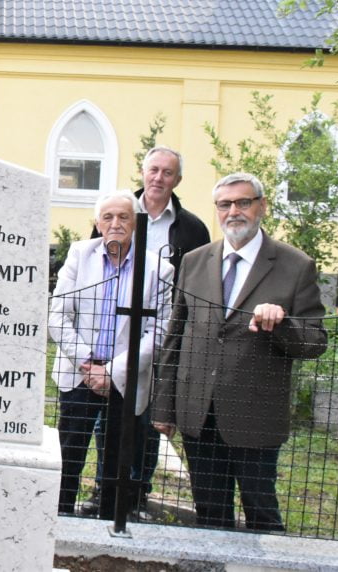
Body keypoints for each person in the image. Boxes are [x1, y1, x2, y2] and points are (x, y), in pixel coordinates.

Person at [153, 172, 327, 532]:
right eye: (225, 204)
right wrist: (164, 407)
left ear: (262, 206)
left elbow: (314, 342)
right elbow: (175, 336)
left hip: (255, 415)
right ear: (217, 210)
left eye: (243, 202)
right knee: (210, 512)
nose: (234, 211)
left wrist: (282, 324)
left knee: (261, 511)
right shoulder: (195, 261)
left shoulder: (295, 266)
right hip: (198, 412)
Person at [83, 146, 210, 516]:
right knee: (109, 421)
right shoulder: (119, 210)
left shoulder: (190, 228)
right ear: (143, 173)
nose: (158, 178)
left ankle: (137, 492)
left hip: (159, 337)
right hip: (113, 333)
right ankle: (105, 490)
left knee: (145, 421)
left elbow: (196, 282)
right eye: (153, 170)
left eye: (167, 173)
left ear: (177, 180)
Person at [49, 190, 173, 518]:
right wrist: (88, 363)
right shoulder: (79, 255)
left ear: (136, 222)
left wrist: (113, 371)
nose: (115, 223)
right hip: (79, 373)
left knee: (119, 458)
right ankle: (59, 518)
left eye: (123, 217)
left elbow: (158, 331)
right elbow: (58, 316)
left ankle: (108, 521)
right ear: (97, 223)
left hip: (126, 377)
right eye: (108, 217)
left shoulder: (159, 269)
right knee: (69, 452)